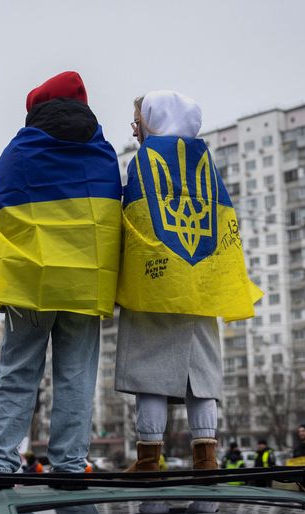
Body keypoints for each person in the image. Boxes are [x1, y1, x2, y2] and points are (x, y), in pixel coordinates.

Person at [0, 71, 123, 478]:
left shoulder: (21, 150)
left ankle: (1, 462)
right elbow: (110, 219)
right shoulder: (102, 151)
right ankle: (70, 464)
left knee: (18, 370)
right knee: (76, 375)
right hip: (84, 284)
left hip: (31, 282)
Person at [115, 91, 260, 473]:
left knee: (150, 374)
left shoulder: (144, 159)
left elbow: (132, 219)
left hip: (154, 283)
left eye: (138, 120)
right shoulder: (205, 160)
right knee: (202, 375)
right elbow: (223, 223)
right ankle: (206, 457)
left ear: (154, 120)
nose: (134, 128)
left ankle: (148, 458)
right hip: (200, 285)